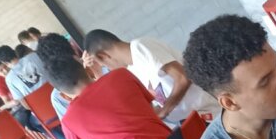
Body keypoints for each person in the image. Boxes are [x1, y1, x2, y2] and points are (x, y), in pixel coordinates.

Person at [35, 34, 170, 139]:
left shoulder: (69, 121)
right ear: (87, 70)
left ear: (64, 96)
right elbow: (150, 112)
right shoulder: (122, 74)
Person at [84, 29, 217, 125]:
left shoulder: (141, 47)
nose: (109, 69)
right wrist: (96, 74)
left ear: (104, 56)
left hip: (210, 112)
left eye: (104, 65)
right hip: (193, 121)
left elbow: (182, 77)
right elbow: (157, 104)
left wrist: (164, 111)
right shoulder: (132, 69)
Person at [0, 45, 47, 133]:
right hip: (26, 104)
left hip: (35, 105)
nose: (5, 71)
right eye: (1, 70)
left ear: (6, 62)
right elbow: (7, 102)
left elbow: (25, 104)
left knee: (33, 122)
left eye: (5, 67)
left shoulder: (10, 78)